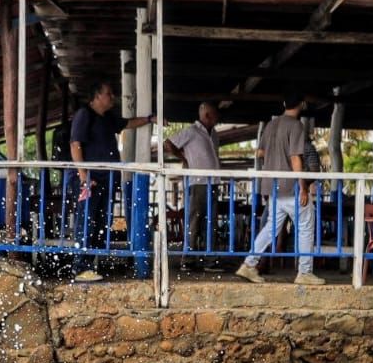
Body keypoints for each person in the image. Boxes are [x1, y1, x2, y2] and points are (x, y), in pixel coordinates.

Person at [236, 92, 325, 286]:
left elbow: (260, 152)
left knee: (270, 228)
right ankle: (304, 272)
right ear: (301, 104)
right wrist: (302, 187)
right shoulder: (296, 126)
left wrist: (275, 158)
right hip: (290, 186)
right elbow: (295, 157)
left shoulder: (271, 124)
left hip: (272, 187)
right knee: (305, 226)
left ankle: (249, 264)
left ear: (284, 103)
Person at [69, 81, 153, 282]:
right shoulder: (84, 115)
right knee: (86, 222)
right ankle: (80, 267)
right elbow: (75, 144)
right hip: (90, 180)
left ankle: (90, 265)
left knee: (100, 223)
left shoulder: (107, 118)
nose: (112, 97)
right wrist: (84, 177)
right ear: (96, 96)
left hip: (106, 180)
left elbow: (128, 123)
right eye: (108, 93)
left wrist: (150, 119)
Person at [164, 102, 223, 271]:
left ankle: (210, 260)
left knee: (211, 222)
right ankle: (188, 259)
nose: (217, 118)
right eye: (215, 115)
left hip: (213, 182)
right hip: (198, 182)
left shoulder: (214, 135)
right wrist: (184, 158)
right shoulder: (192, 131)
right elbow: (168, 143)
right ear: (207, 116)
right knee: (195, 220)